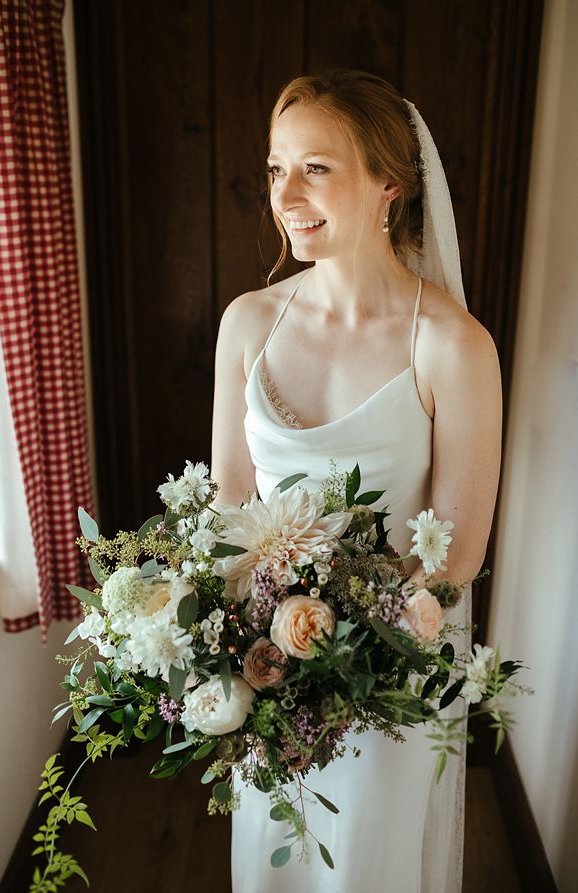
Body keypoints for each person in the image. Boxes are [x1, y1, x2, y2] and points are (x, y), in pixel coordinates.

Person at [210, 71, 501, 892]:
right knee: (272, 863)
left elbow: (459, 551)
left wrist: (340, 658)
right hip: (263, 669)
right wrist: (252, 652)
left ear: (388, 186)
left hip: (386, 682)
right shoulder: (247, 324)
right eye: (275, 168)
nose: (286, 194)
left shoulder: (452, 345)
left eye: (316, 168)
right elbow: (230, 503)